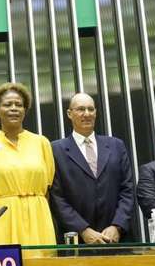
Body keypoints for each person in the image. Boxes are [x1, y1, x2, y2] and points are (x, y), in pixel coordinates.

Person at [0, 83, 56, 245]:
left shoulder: (41, 142)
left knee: (43, 265)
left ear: (25, 110)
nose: (14, 108)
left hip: (38, 215)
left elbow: (49, 188)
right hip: (2, 217)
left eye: (19, 105)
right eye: (7, 104)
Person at [50, 93, 134, 244]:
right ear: (69, 114)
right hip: (76, 239)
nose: (87, 114)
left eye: (91, 109)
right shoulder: (55, 150)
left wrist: (117, 226)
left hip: (116, 238)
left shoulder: (116, 145)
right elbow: (56, 197)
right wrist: (83, 229)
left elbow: (127, 189)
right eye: (81, 109)